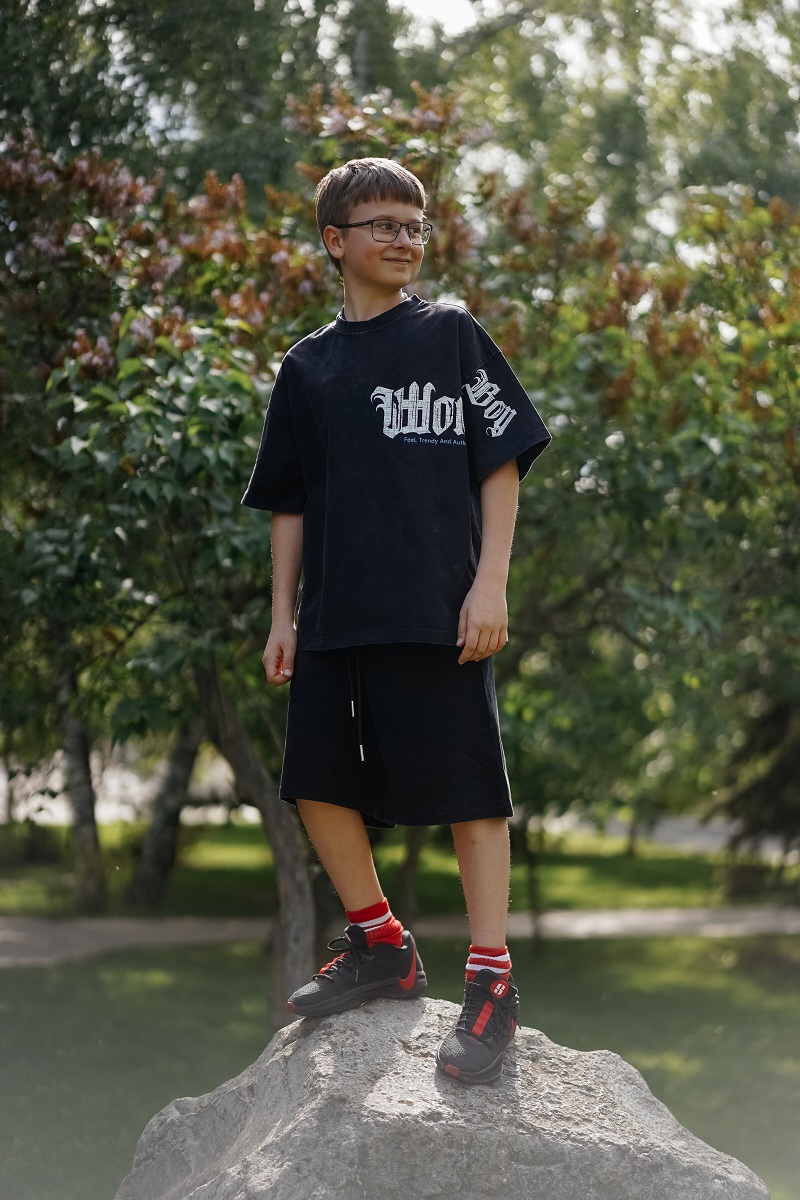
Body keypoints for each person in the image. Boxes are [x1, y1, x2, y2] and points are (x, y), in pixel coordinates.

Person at [242, 157, 550, 1085]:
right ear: (335, 241)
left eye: (415, 226)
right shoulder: (308, 366)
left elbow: (501, 463)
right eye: (383, 225)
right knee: (315, 782)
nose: (405, 240)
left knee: (470, 792)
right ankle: (381, 943)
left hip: (438, 608)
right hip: (337, 612)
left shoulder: (451, 337)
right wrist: (282, 615)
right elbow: (290, 501)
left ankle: (491, 982)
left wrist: (489, 585)